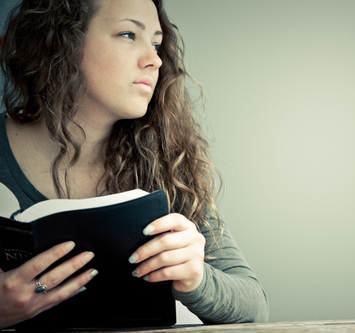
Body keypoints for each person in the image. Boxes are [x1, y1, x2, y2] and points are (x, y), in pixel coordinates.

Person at [0, 0, 268, 328]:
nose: (154, 59)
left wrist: (196, 279)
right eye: (129, 34)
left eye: (156, 43)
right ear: (60, 42)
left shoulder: (168, 164)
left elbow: (255, 308)